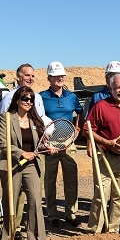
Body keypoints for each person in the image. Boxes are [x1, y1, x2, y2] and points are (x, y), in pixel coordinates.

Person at [84, 73, 120, 233]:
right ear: (110, 88)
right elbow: (87, 131)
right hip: (104, 157)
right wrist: (107, 143)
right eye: (118, 87)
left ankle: (112, 230)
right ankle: (94, 229)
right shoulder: (100, 107)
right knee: (101, 194)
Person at [0, 64, 45, 240]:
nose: (28, 102)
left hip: (31, 166)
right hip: (12, 164)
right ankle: (5, 238)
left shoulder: (35, 119)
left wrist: (47, 148)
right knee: (10, 202)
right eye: (24, 99)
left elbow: (39, 143)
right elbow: (3, 143)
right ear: (17, 100)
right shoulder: (7, 118)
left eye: (31, 99)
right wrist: (21, 153)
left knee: (34, 201)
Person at [40, 61, 83, 227]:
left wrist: (77, 129)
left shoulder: (71, 97)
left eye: (61, 75)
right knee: (50, 180)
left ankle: (71, 214)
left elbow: (79, 112)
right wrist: (42, 138)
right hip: (49, 143)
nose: (59, 78)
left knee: (71, 179)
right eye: (55, 76)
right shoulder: (42, 97)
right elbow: (37, 117)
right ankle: (52, 215)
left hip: (68, 142)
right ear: (49, 78)